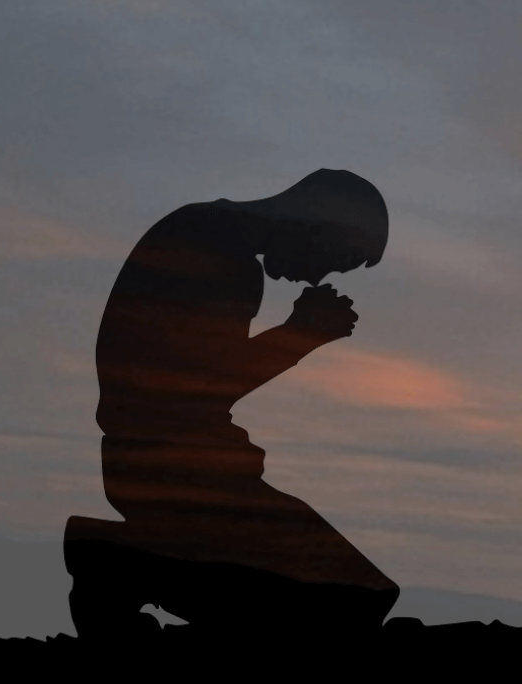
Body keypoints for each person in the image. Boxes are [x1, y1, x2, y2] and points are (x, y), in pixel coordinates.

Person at [64, 169, 398, 639]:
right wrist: (300, 335)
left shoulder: (213, 240)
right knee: (352, 599)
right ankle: (124, 562)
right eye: (330, 259)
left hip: (183, 470)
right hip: (176, 475)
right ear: (315, 225)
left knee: (359, 595)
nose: (315, 275)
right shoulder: (215, 250)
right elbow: (201, 384)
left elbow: (202, 377)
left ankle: (132, 563)